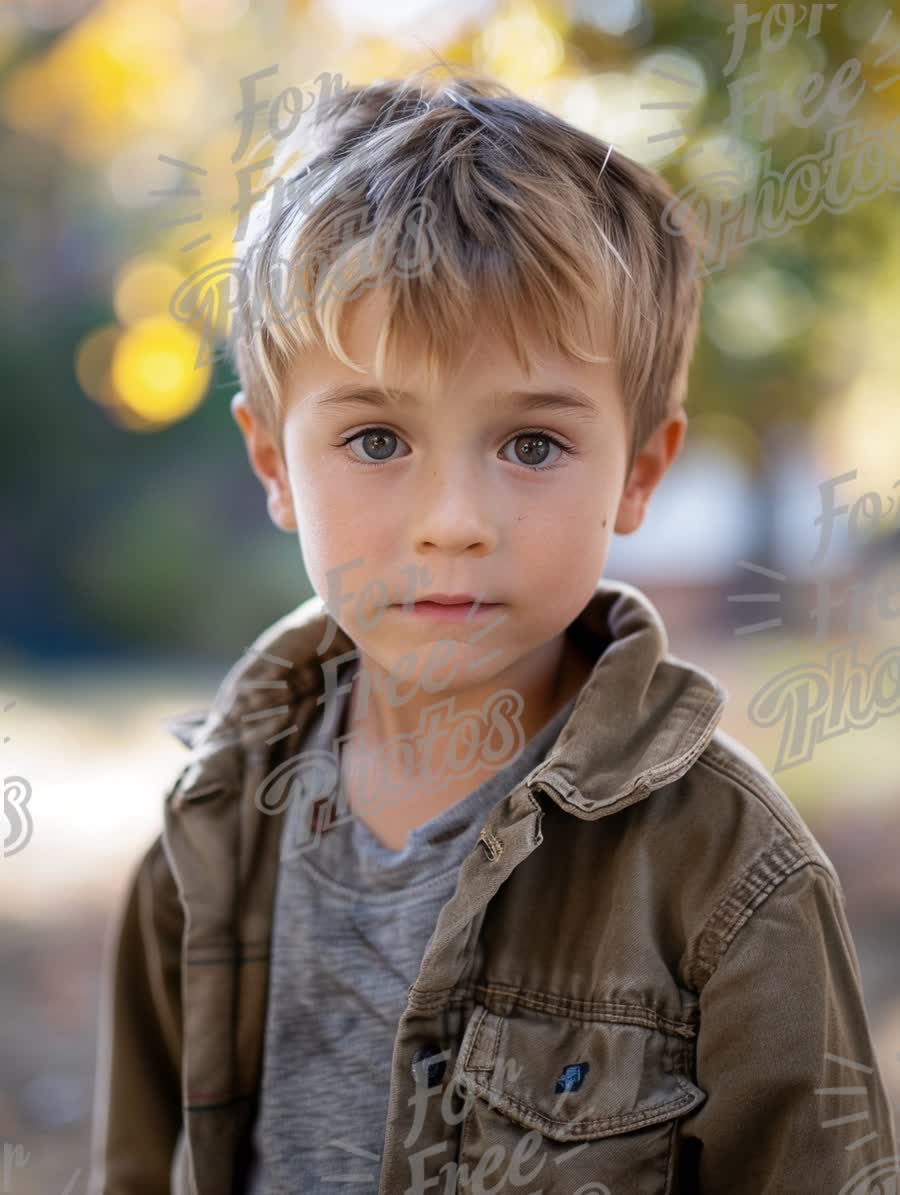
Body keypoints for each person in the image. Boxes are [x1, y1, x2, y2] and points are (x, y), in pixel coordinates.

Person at [87, 68, 898, 1195]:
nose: (454, 523)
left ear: (641, 470)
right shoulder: (213, 827)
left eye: (530, 444)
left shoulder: (729, 874)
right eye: (376, 440)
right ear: (274, 460)